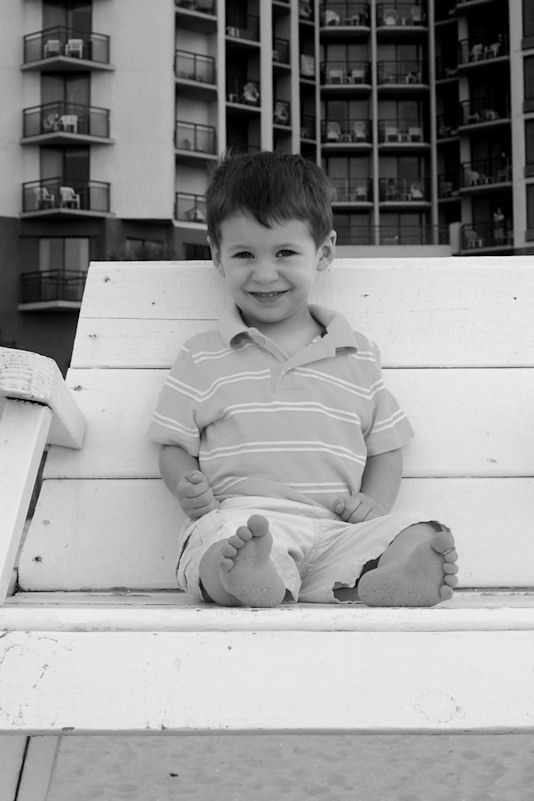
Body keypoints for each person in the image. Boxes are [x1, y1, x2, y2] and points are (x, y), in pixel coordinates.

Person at [149, 152, 458, 608]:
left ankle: (395, 576)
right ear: (217, 255)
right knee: (220, 540)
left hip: (337, 530)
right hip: (246, 518)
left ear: (324, 252)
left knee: (417, 528)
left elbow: (386, 447)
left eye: (285, 253)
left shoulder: (356, 353)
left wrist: (374, 504)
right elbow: (173, 446)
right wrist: (186, 485)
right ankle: (246, 577)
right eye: (244, 254)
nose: (264, 273)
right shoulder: (202, 354)